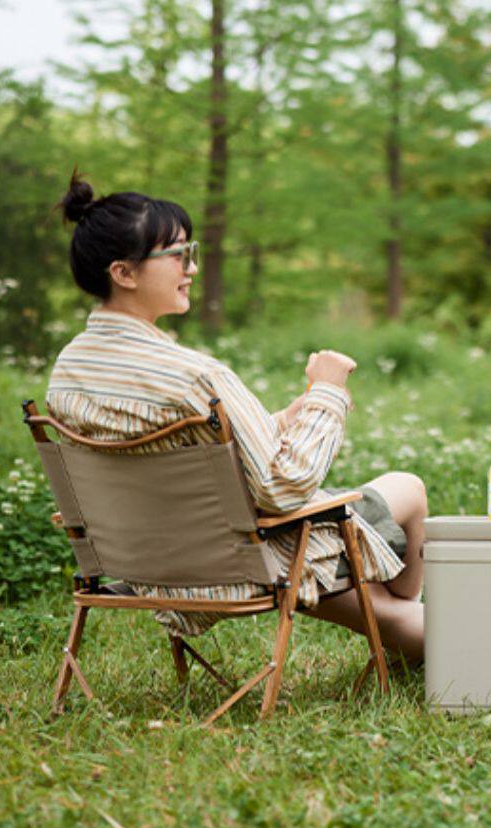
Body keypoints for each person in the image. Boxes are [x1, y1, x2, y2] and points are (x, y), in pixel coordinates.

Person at [45, 175, 427, 662]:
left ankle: (402, 629)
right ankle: (416, 624)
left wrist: (282, 421)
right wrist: (327, 394)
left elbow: (181, 448)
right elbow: (283, 486)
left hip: (153, 567)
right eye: (178, 255)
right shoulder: (195, 377)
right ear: (124, 272)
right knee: (408, 488)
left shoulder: (67, 373)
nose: (192, 267)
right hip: (248, 563)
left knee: (388, 611)